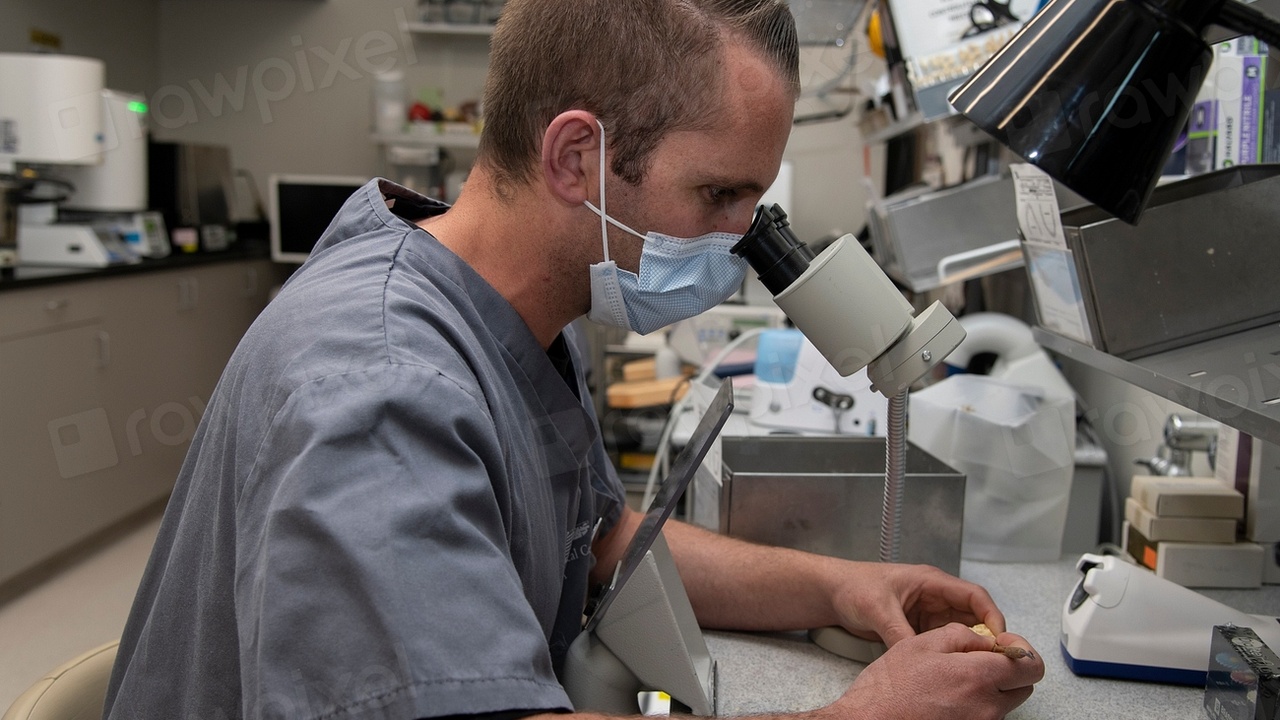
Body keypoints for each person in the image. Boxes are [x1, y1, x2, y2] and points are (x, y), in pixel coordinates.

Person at [104, 0, 1044, 718]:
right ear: (575, 158)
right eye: (718, 193)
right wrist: (866, 712)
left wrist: (837, 585)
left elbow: (594, 538)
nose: (736, 241)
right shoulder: (381, 385)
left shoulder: (514, 310)